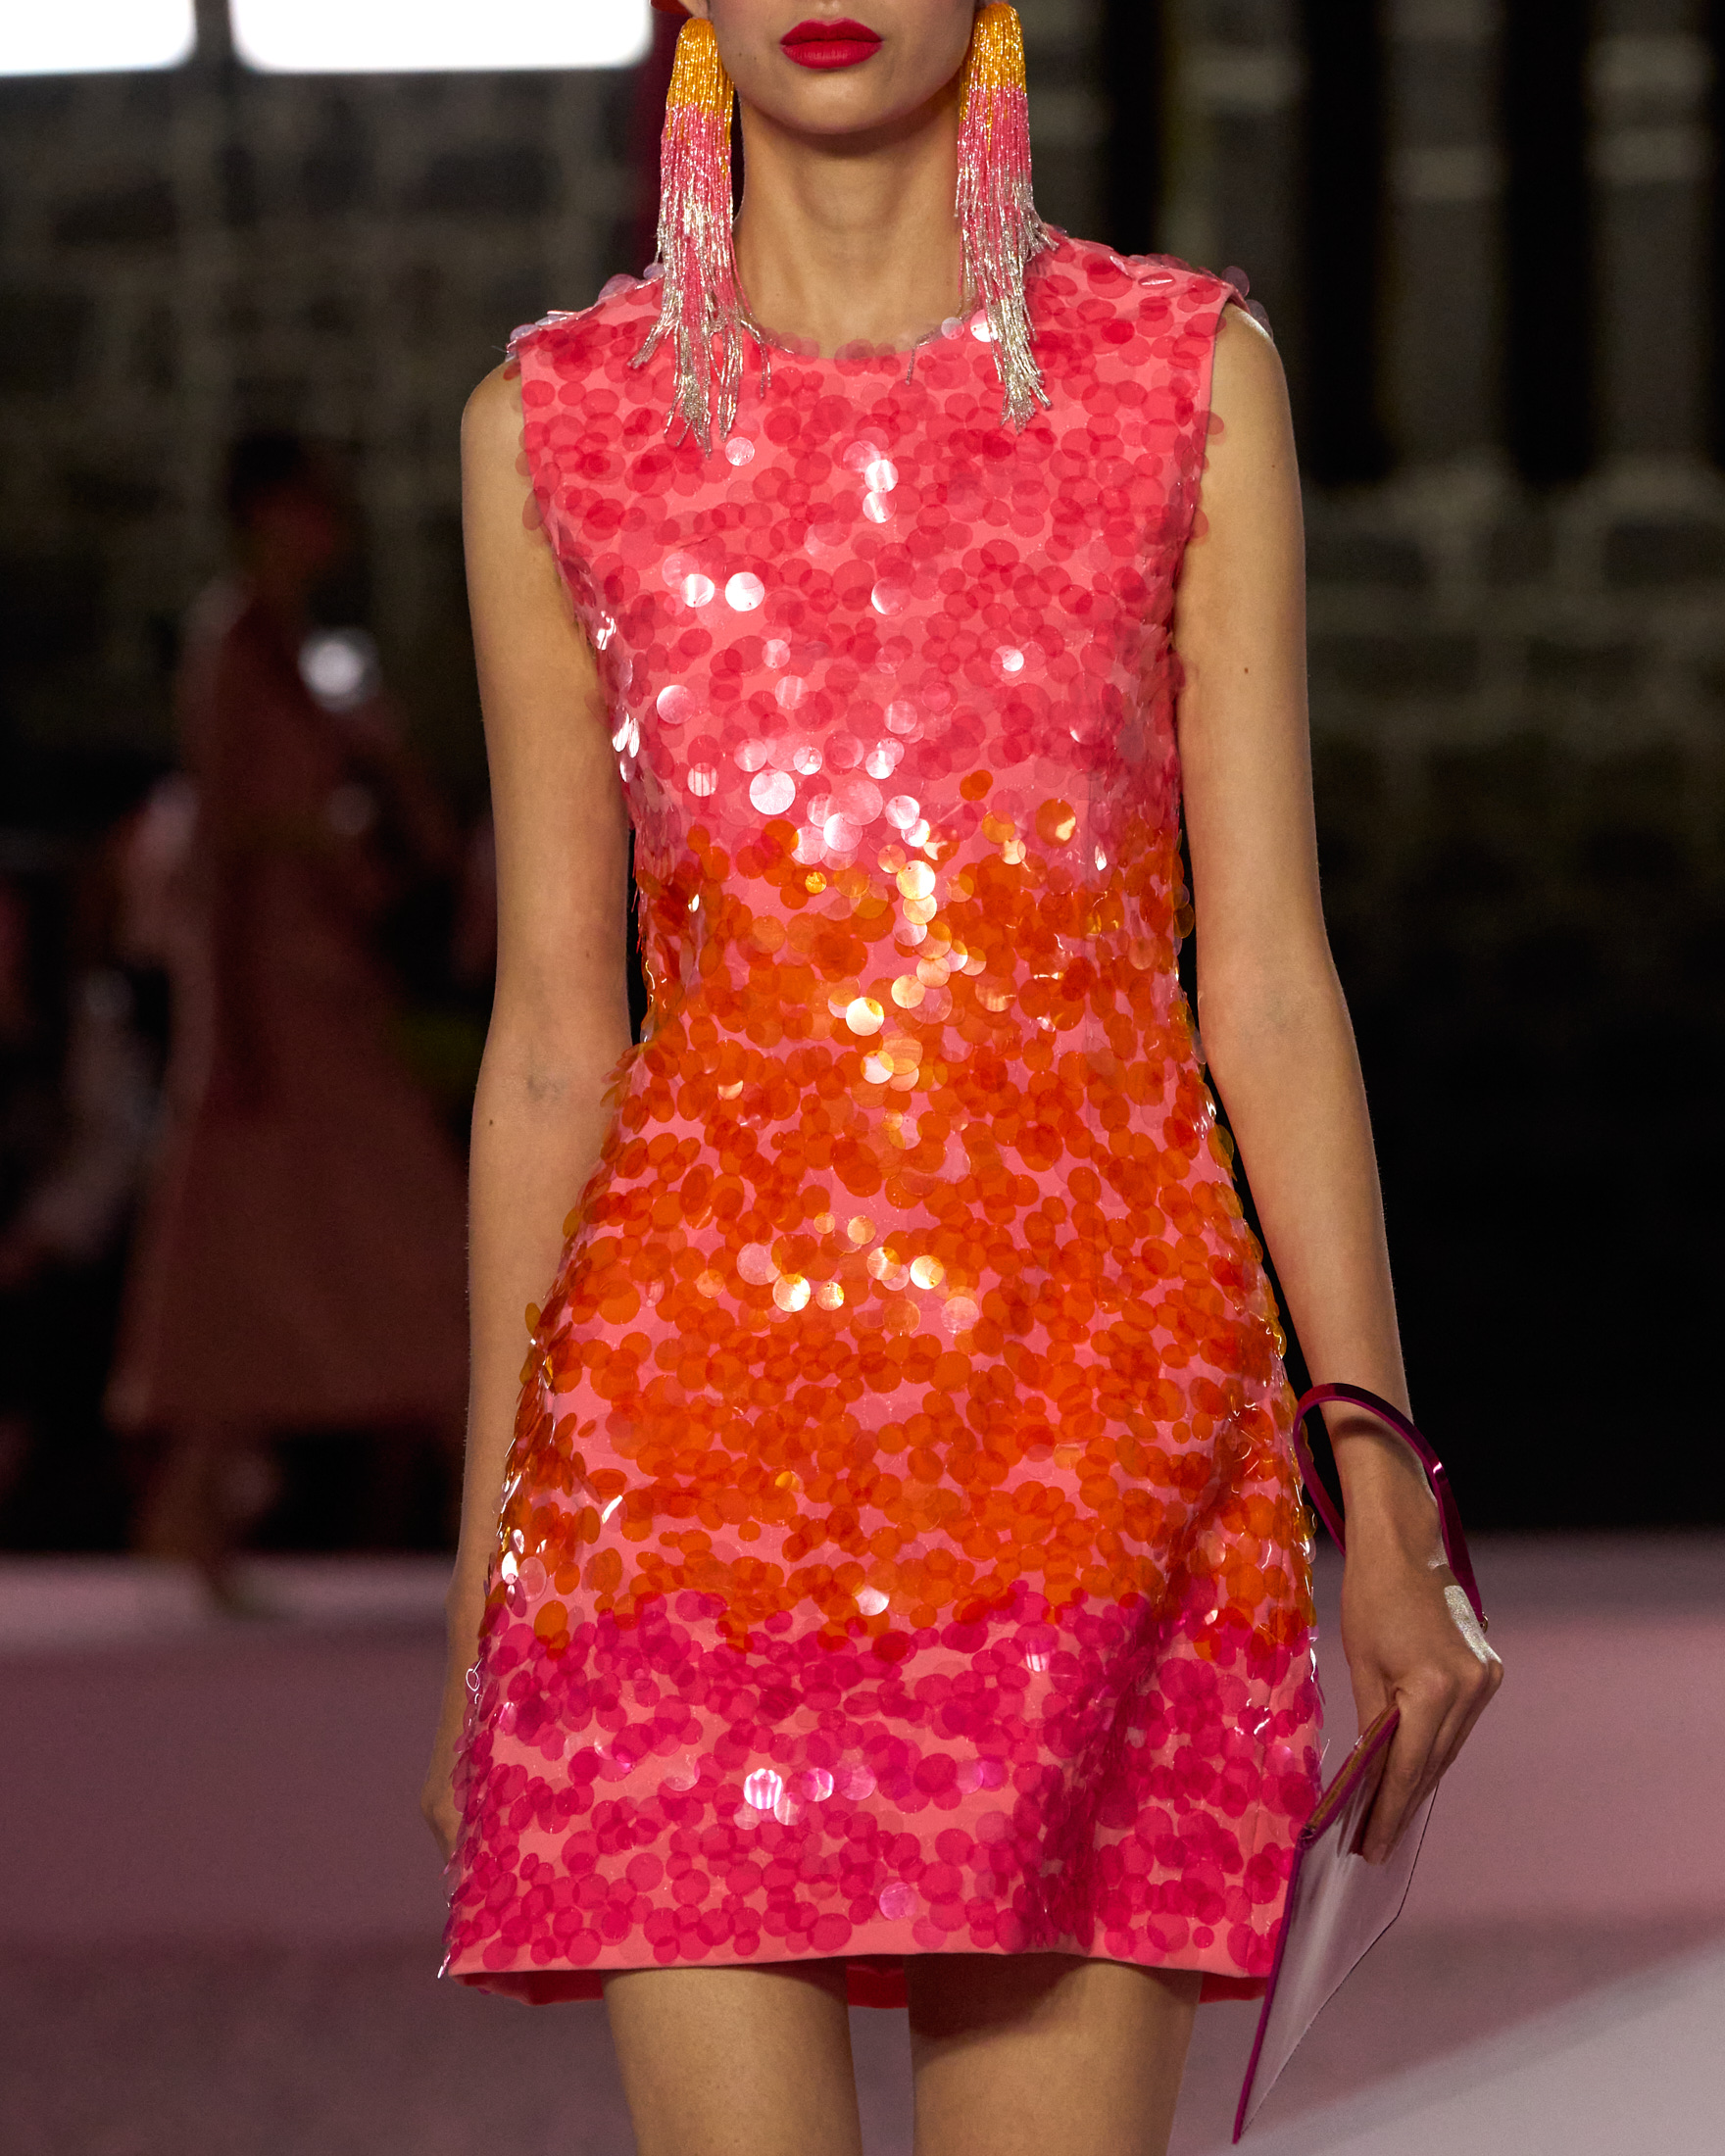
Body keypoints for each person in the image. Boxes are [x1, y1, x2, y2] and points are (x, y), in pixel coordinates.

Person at [422, 6, 1502, 2151]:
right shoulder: (554, 427)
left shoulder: (1181, 382)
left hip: (1096, 1464)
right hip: (673, 1490)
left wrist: (1378, 1480)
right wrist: (483, 1587)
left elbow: (1266, 978)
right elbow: (552, 1037)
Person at [107, 432, 469, 1598]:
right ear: (266, 513)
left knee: (341, 1226)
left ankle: (201, 1496)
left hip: (319, 975)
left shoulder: (301, 655)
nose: (327, 529)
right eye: (309, 507)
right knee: (294, 1223)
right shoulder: (235, 647)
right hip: (272, 982)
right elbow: (226, 833)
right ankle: (210, 1496)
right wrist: (231, 1023)